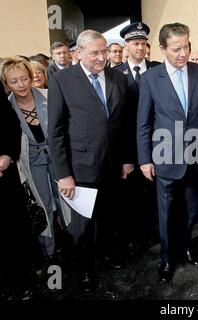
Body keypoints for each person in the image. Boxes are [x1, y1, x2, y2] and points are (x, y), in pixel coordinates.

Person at [47, 29, 135, 292]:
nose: (101, 58)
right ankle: (85, 269)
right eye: (95, 53)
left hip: (113, 164)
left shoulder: (118, 77)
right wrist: (64, 174)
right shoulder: (62, 80)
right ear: (79, 53)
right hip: (80, 167)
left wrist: (128, 159)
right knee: (83, 226)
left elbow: (125, 123)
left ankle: (106, 253)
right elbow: (56, 130)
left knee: (109, 216)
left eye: (104, 51)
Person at [137, 22, 198, 283]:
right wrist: (145, 159)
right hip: (165, 157)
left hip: (195, 155)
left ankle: (188, 246)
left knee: (192, 208)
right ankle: (168, 257)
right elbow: (144, 123)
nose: (183, 53)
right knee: (167, 211)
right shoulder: (149, 79)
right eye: (176, 48)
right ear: (161, 49)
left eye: (186, 47)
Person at [0, 56, 70, 261]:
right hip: (32, 163)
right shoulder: (6, 107)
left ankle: (74, 242)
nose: (20, 85)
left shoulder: (51, 95)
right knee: (43, 204)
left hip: (58, 158)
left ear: (32, 78)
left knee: (66, 200)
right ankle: (49, 250)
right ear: (6, 84)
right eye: (14, 81)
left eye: (24, 78)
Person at [114, 22, 160, 250]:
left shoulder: (159, 69)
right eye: (135, 43)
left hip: (158, 143)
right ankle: (134, 236)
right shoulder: (114, 75)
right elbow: (116, 121)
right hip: (129, 145)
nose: (140, 48)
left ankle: (156, 232)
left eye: (143, 43)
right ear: (126, 46)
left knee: (155, 192)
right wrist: (125, 156)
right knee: (130, 195)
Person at [0, 81, 33, 300]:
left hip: (4, 172)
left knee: (12, 229)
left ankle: (19, 280)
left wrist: (7, 155)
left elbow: (9, 124)